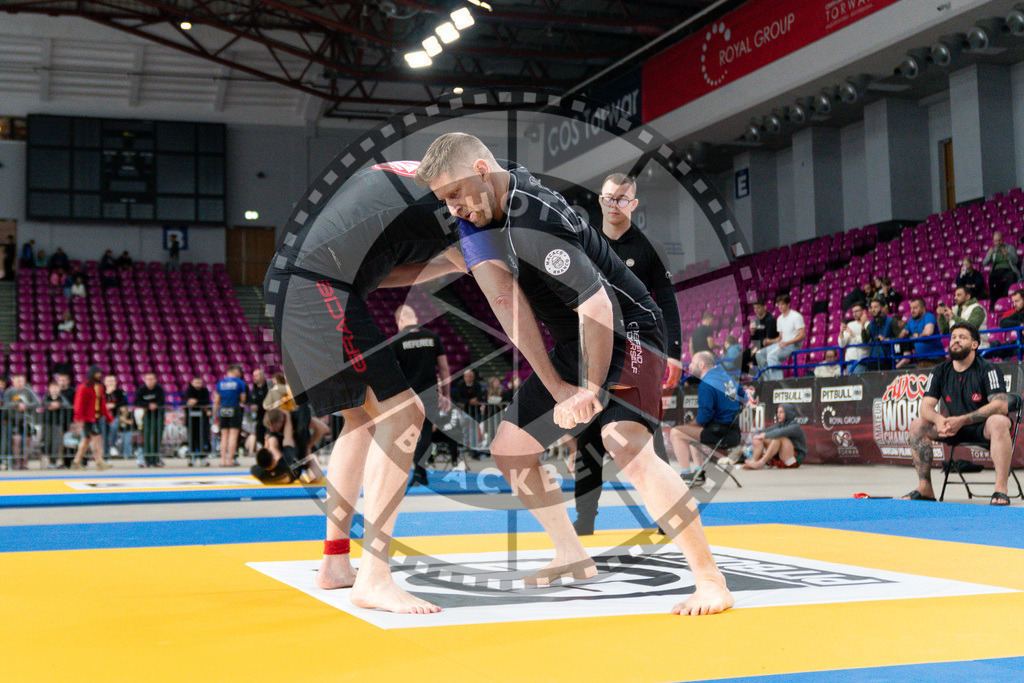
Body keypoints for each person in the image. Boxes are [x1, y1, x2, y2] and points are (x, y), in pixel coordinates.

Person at [419, 131, 732, 615]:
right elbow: (507, 306)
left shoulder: (536, 216)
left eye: (455, 193)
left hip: (630, 330)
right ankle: (571, 554)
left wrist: (588, 390)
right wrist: (556, 385)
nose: (453, 207)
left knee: (625, 444)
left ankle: (710, 579)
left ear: (481, 171)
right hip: (574, 342)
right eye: (444, 199)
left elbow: (597, 305)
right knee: (510, 449)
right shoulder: (476, 220)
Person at [264, 158, 465, 615]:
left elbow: (377, 274)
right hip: (317, 284)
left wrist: (445, 264)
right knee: (405, 416)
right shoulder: (455, 203)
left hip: (300, 280)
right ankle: (374, 578)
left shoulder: (412, 186)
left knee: (360, 419)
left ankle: (336, 562)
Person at [571, 172, 683, 535]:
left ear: (633, 203)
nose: (614, 205)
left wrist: (674, 352)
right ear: (600, 200)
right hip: (596, 344)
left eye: (621, 199)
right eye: (608, 198)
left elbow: (667, 301)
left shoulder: (648, 248)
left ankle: (667, 514)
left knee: (645, 430)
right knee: (588, 431)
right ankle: (585, 519)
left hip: (638, 344)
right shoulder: (586, 244)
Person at [902, 322, 1014, 505]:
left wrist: (962, 420)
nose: (956, 341)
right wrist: (939, 420)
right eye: (953, 337)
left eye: (962, 337)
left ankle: (1000, 489)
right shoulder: (940, 371)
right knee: (917, 425)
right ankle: (925, 488)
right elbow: (925, 407)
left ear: (974, 344)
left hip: (982, 428)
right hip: (953, 428)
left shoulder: (988, 369)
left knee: (999, 421)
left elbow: (1001, 405)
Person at [389, 305, 452, 486]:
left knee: (406, 434)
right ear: (414, 317)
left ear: (400, 320)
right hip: (429, 393)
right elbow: (444, 368)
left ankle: (408, 473)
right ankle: (420, 472)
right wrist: (447, 394)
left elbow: (393, 373)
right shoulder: (432, 337)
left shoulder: (396, 341)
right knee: (424, 432)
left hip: (408, 395)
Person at [669, 351, 747, 486]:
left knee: (676, 433)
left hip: (720, 433)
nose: (690, 366)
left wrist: (690, 425)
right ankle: (699, 473)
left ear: (701, 365)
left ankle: (686, 475)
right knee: (691, 432)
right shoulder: (726, 378)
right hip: (733, 432)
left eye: (692, 363)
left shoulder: (707, 384)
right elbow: (744, 397)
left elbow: (703, 418)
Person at [250, 408, 325, 485]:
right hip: (291, 463)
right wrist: (288, 416)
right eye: (270, 428)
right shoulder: (285, 458)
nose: (272, 430)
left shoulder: (256, 470)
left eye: (274, 427)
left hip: (299, 457)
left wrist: (309, 445)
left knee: (315, 476)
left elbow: (322, 428)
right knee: (315, 477)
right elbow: (287, 440)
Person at [71, 365, 113, 470]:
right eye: (97, 374)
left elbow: (102, 404)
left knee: (86, 440)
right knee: (97, 439)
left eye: (100, 374)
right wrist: (79, 419)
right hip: (88, 419)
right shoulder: (83, 388)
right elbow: (79, 404)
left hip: (95, 418)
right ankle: (99, 461)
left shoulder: (99, 387)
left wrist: (108, 417)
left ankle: (76, 462)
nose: (99, 376)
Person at [755, 294, 805, 381]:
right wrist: (770, 341)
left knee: (771, 356)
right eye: (778, 304)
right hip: (783, 344)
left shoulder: (796, 316)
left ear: (788, 304)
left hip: (793, 345)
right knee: (759, 354)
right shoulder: (779, 319)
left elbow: (802, 335)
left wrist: (788, 342)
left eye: (782, 304)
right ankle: (768, 380)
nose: (780, 307)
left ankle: (778, 382)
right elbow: (780, 338)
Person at [741, 404, 807, 469]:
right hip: (781, 459)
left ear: (788, 413)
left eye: (781, 412)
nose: (778, 415)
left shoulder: (795, 427)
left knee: (779, 438)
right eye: (778, 412)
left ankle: (761, 463)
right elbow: (762, 431)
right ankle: (754, 461)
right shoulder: (778, 425)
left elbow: (780, 432)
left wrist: (763, 435)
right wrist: (756, 436)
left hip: (793, 461)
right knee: (760, 438)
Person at [3, 373, 40, 469]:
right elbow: (5, 404)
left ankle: (25, 462)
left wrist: (26, 406)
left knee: (27, 441)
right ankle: (17, 462)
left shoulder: (28, 391)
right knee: (17, 440)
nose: (19, 383)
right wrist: (17, 405)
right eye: (17, 381)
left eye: (21, 381)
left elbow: (37, 402)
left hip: (27, 420)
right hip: (14, 420)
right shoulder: (9, 392)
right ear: (13, 381)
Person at [213, 365, 247, 467]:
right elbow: (243, 399)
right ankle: (230, 460)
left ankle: (222, 460)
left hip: (223, 409)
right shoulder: (239, 382)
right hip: (234, 408)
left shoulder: (220, 383)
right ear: (235, 371)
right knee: (233, 435)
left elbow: (216, 401)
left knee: (224, 436)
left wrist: (215, 414)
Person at [897, 297, 944, 368]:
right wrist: (903, 333)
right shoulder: (911, 320)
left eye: (915, 308)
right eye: (911, 308)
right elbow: (902, 334)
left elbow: (928, 332)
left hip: (935, 359)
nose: (912, 311)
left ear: (923, 309)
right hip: (921, 360)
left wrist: (918, 335)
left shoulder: (929, 316)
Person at [133, 372, 165, 467]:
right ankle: (147, 458)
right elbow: (136, 401)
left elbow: (162, 400)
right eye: (148, 379)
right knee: (146, 437)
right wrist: (148, 405)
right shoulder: (141, 389)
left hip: (158, 415)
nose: (150, 381)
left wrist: (156, 405)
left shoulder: (159, 389)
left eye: (151, 379)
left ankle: (156, 458)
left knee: (157, 436)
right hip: (146, 415)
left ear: (155, 380)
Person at [742, 299, 777, 376]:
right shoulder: (756, 321)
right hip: (758, 346)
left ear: (764, 307)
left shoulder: (770, 320)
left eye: (758, 308)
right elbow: (754, 340)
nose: (756, 310)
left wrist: (757, 348)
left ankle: (763, 376)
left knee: (755, 357)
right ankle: (756, 375)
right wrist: (752, 332)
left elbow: (768, 340)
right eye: (755, 308)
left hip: (769, 347)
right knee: (739, 361)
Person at [982, 231, 1019, 302]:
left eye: (999, 240)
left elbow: (1016, 261)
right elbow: (984, 263)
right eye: (996, 241)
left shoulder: (1010, 248)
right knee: (991, 277)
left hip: (1008, 270)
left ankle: (1005, 298)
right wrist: (990, 255)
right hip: (997, 271)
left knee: (1012, 276)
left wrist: (1007, 255)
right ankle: (993, 302)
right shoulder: (992, 250)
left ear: (1003, 239)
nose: (998, 243)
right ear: (993, 242)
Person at [41, 381, 71, 468]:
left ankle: (54, 461)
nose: (54, 390)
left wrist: (59, 405)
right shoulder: (47, 397)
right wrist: (50, 404)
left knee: (56, 442)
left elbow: (67, 404)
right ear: (49, 389)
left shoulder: (61, 397)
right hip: (47, 423)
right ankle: (48, 459)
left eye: (56, 388)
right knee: (48, 441)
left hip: (58, 423)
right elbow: (43, 403)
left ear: (59, 389)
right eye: (52, 388)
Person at [184, 376, 212, 464]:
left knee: (202, 437)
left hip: (202, 419)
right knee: (192, 437)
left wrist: (196, 401)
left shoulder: (204, 391)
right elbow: (188, 402)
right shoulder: (189, 390)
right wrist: (199, 403)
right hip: (191, 419)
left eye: (199, 382)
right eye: (196, 382)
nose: (198, 384)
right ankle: (192, 457)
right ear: (192, 383)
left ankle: (203, 457)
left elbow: (206, 401)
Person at [863, 298, 896, 371]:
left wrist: (887, 339)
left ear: (882, 308)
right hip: (873, 360)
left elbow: (899, 338)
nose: (873, 310)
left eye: (876, 307)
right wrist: (862, 326)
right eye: (872, 307)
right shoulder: (871, 325)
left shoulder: (891, 322)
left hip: (887, 360)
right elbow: (865, 341)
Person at [102, 375, 128, 458]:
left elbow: (124, 402)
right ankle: (105, 452)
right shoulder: (101, 391)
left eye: (112, 381)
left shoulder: (119, 392)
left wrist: (114, 405)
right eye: (109, 381)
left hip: (114, 416)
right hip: (103, 416)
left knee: (113, 427)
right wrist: (107, 394)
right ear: (105, 383)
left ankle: (112, 446)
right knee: (103, 433)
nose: (111, 383)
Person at [247, 369, 269, 449]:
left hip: (268, 415)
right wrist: (251, 406)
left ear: (262, 376)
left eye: (256, 375)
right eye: (254, 376)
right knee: (259, 433)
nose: (254, 378)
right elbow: (249, 401)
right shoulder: (253, 389)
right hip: (258, 417)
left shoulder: (269, 388)